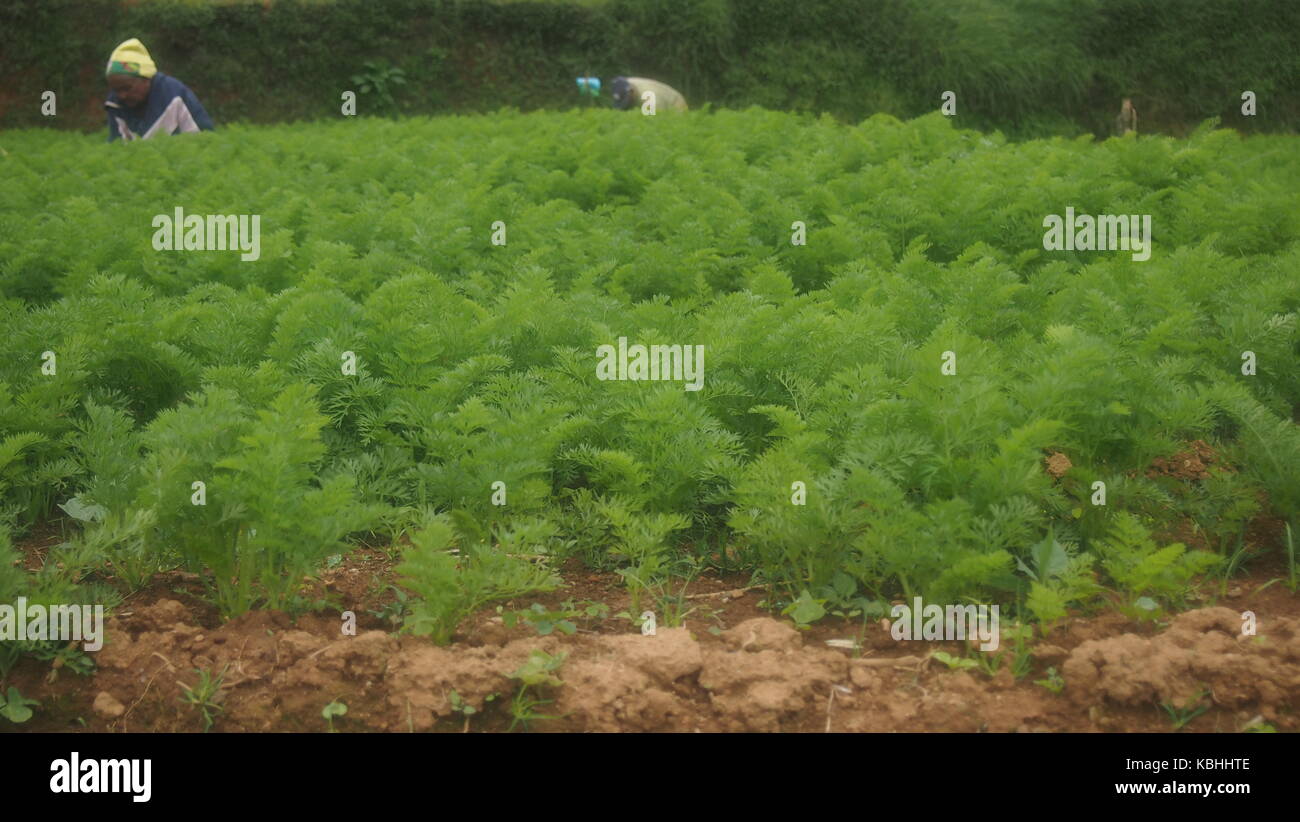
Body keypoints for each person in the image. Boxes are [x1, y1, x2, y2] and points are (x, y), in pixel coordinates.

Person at [104, 38, 214, 142]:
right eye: (116, 89)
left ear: (146, 79)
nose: (122, 95)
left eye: (127, 88)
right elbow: (117, 146)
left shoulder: (175, 95)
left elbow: (205, 139)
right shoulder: (114, 103)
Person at [608, 77, 688, 112]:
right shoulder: (623, 84)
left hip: (675, 103)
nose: (627, 102)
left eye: (627, 99)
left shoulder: (649, 98)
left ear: (631, 92)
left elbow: (654, 121)